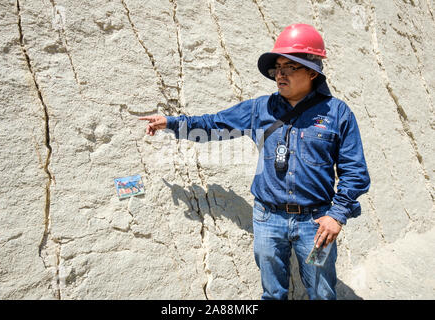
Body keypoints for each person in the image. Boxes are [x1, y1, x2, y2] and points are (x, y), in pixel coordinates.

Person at [139, 23, 370, 300]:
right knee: (272, 293)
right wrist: (172, 123)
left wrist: (337, 215)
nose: (280, 74)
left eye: (290, 67)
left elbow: (355, 171)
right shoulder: (260, 109)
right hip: (267, 219)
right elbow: (213, 124)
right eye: (277, 68)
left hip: (315, 224)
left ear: (312, 71)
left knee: (321, 292)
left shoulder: (337, 113)